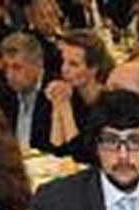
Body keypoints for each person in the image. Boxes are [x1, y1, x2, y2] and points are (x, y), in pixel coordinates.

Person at [45, 30, 111, 158]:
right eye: (63, 61)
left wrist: (64, 107)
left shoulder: (108, 104)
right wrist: (57, 105)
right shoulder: (70, 94)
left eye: (73, 64)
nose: (64, 69)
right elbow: (57, 150)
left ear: (93, 69)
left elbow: (81, 156)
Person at [0, 31, 53, 151]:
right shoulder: (4, 93)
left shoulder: (55, 94)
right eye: (6, 67)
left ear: (38, 65)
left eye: (17, 67)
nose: (9, 75)